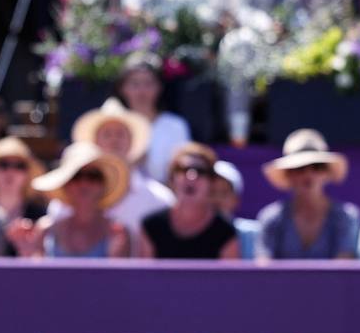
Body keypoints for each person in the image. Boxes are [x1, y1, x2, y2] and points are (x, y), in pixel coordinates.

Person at [68, 100, 175, 231]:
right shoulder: (70, 195)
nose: (114, 140)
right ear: (94, 141)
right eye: (107, 134)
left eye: (120, 134)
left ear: (131, 142)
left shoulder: (160, 200)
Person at [12, 143, 132, 259]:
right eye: (76, 176)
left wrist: (116, 257)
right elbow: (35, 276)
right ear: (65, 184)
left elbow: (119, 279)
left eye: (93, 176)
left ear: (103, 185)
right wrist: (26, 253)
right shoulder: (46, 231)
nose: (84, 183)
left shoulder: (118, 233)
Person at [256, 129, 360, 258]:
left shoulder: (346, 217)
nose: (308, 175)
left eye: (317, 167)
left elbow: (343, 270)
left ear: (326, 173)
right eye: (299, 168)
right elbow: (263, 270)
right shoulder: (271, 218)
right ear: (288, 174)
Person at [139, 144, 241, 259]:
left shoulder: (225, 230)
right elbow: (145, 275)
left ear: (211, 183)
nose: (191, 176)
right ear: (172, 179)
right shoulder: (151, 226)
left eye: (200, 171)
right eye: (183, 169)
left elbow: (229, 276)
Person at [116, 54, 194, 186]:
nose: (142, 91)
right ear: (122, 88)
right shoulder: (111, 125)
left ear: (159, 87)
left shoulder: (175, 126)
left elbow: (182, 173)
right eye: (135, 84)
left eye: (148, 83)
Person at [0, 136, 48, 255]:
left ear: (28, 174)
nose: (10, 172)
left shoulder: (40, 216)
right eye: (3, 164)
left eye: (19, 166)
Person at [212, 160, 262, 259]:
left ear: (236, 200)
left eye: (224, 192)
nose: (217, 199)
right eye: (211, 192)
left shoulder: (254, 234)